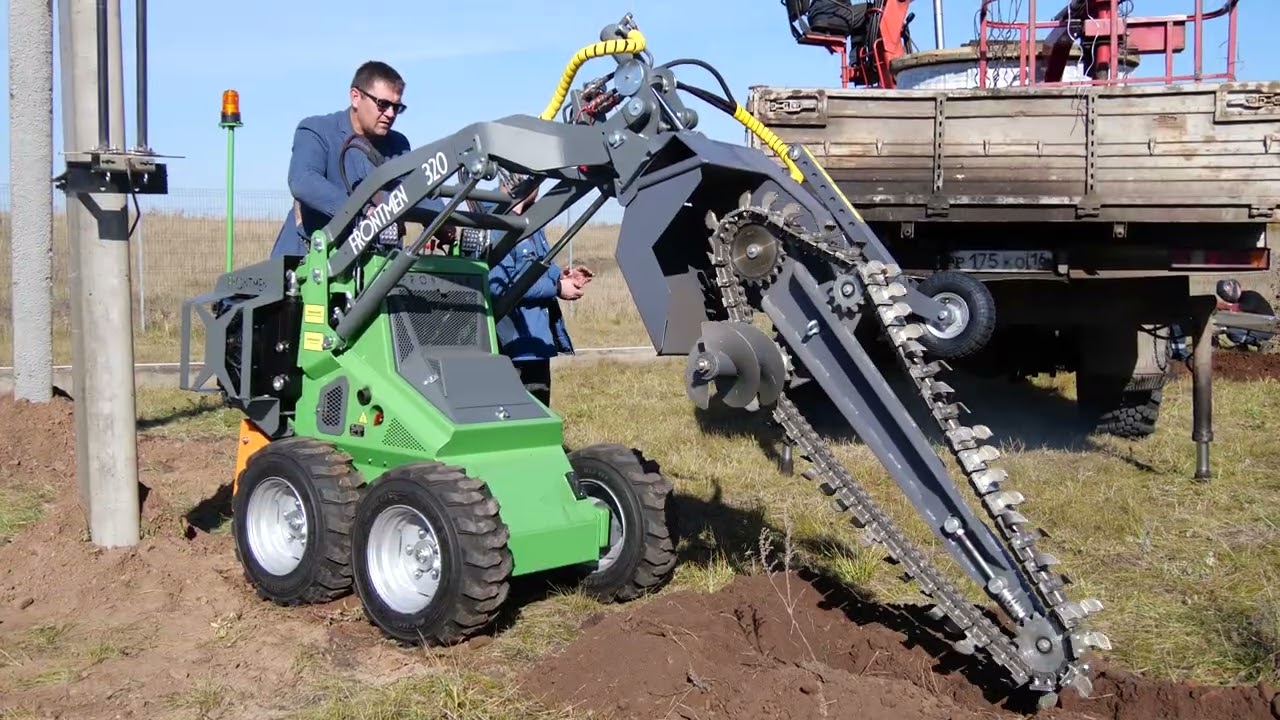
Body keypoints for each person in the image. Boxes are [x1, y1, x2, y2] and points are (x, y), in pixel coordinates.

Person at [270, 60, 447, 257]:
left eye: (397, 108)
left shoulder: (398, 145)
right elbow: (303, 180)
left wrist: (443, 219)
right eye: (383, 104)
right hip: (307, 260)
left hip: (372, 265)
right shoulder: (317, 130)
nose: (390, 114)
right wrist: (364, 210)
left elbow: (417, 187)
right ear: (355, 97)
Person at [487, 171, 593, 406]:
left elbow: (537, 265)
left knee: (538, 415)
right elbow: (502, 285)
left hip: (534, 342)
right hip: (511, 346)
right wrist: (557, 288)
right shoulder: (495, 222)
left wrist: (562, 274)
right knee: (512, 418)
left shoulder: (531, 220)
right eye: (538, 177)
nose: (541, 186)